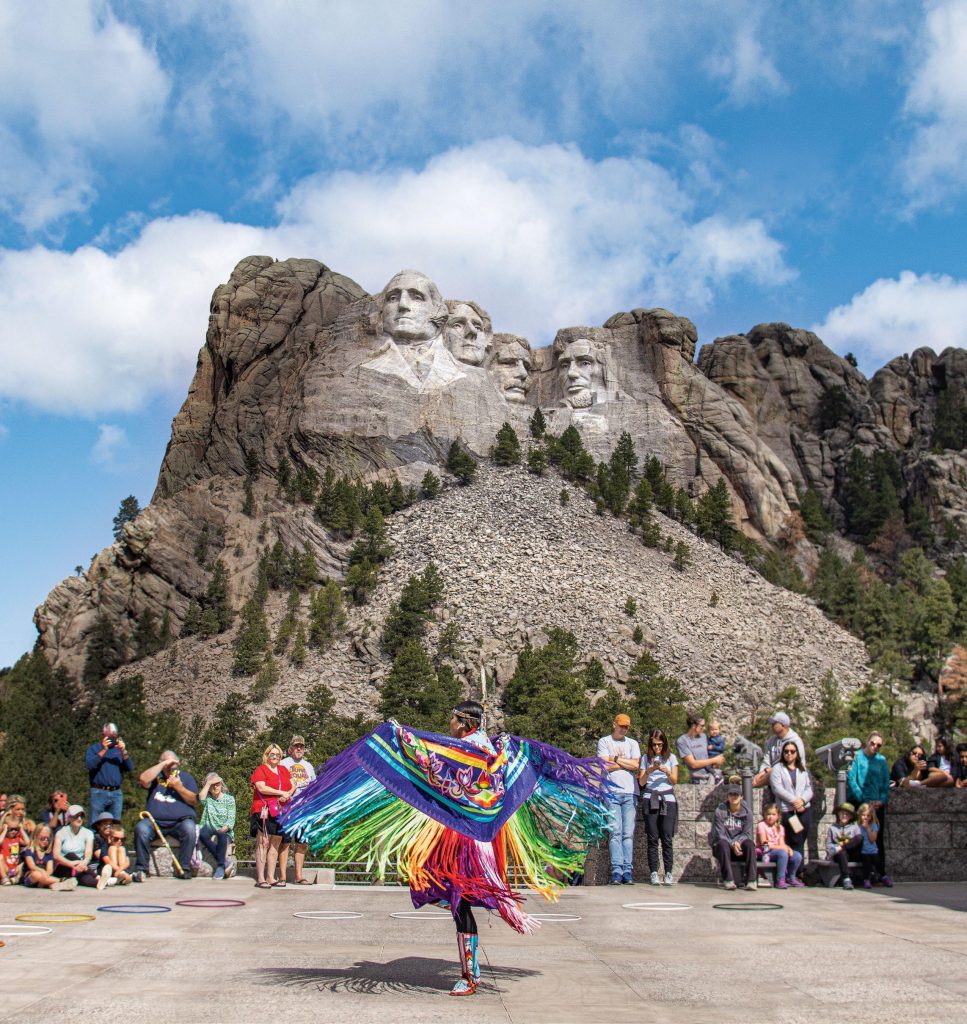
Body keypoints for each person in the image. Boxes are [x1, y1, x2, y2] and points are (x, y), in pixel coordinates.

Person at [280, 700, 611, 997]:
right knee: (454, 899)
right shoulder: (495, 754)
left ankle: (470, 974)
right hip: (480, 839)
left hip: (466, 842)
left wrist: (400, 737)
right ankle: (471, 968)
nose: (449, 725)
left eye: (453, 720)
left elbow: (431, 760)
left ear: (464, 724)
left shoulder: (465, 753)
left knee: (459, 902)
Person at [132, 750, 199, 882]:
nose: (170, 768)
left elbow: (194, 800)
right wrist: (162, 765)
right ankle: (141, 869)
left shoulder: (185, 778)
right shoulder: (155, 778)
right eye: (166, 764)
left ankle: (184, 868)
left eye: (172, 764)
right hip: (154, 821)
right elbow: (143, 779)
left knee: (190, 829)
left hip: (180, 821)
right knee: (141, 828)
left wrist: (179, 787)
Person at [597, 713, 641, 884]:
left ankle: (627, 870)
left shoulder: (633, 743)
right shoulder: (604, 741)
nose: (624, 729)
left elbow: (636, 765)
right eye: (621, 725)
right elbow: (604, 764)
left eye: (626, 727)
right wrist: (624, 762)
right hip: (611, 791)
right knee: (615, 832)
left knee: (627, 833)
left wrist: (614, 759)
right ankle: (617, 869)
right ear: (614, 724)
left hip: (630, 791)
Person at [847, 732, 892, 887]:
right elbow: (852, 780)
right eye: (873, 743)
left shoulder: (881, 760)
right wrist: (865, 801)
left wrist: (881, 800)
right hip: (861, 803)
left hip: (877, 804)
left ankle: (879, 873)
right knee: (859, 837)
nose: (875, 747)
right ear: (867, 742)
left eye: (878, 745)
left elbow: (886, 782)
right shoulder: (857, 757)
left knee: (877, 839)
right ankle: (861, 874)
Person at [251, 743, 295, 888]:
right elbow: (261, 787)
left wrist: (287, 794)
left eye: (277, 754)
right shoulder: (261, 769)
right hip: (264, 809)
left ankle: (270, 876)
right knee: (263, 842)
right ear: (267, 756)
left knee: (276, 842)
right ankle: (261, 877)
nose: (275, 757)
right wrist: (281, 793)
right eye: (272, 754)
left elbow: (293, 784)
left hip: (281, 810)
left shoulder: (283, 770)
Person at [638, 728, 678, 885]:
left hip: (667, 798)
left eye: (660, 745)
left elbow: (674, 780)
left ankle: (668, 872)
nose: (657, 748)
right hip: (650, 797)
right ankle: (653, 872)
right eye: (654, 745)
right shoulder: (645, 758)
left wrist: (667, 772)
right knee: (652, 837)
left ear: (665, 744)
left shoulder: (671, 758)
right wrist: (648, 771)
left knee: (667, 837)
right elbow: (641, 782)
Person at [767, 740, 813, 875]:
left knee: (801, 839)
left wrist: (802, 801)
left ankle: (797, 871)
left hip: (803, 810)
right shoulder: (777, 769)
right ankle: (792, 872)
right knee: (793, 840)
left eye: (792, 751)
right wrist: (795, 801)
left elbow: (809, 788)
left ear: (797, 753)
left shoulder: (803, 769)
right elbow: (777, 788)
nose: (789, 754)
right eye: (786, 751)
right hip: (788, 811)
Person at [279, 736, 317, 885]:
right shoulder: (283, 764)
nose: (299, 749)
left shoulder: (308, 766)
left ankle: (299, 876)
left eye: (301, 746)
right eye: (296, 746)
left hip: (303, 809)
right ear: (290, 749)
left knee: (301, 843)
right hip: (287, 808)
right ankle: (282, 876)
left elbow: (314, 787)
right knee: (285, 842)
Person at [711, 783, 756, 891]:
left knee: (750, 844)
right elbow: (720, 834)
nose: (734, 797)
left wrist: (738, 843)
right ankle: (728, 880)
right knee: (722, 843)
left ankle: (751, 881)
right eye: (731, 794)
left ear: (741, 796)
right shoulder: (720, 811)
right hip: (724, 848)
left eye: (736, 794)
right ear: (727, 797)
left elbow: (746, 833)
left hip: (739, 847)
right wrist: (732, 844)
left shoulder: (747, 812)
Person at [85, 722, 134, 822]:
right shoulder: (94, 749)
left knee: (115, 824)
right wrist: (104, 750)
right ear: (103, 736)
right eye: (109, 737)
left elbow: (130, 768)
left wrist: (124, 752)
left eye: (114, 737)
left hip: (116, 792)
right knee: (95, 822)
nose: (112, 740)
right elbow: (89, 765)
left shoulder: (118, 750)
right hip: (99, 792)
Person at [198, 772, 237, 879]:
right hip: (209, 830)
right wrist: (208, 782)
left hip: (224, 831)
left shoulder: (229, 799)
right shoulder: (208, 800)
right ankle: (224, 863)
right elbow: (201, 797)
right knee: (202, 834)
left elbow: (230, 821)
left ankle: (220, 866)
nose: (215, 787)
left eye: (217, 784)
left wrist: (221, 830)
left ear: (221, 785)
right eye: (212, 785)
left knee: (221, 836)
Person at [753, 711, 806, 788]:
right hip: (773, 776)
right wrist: (761, 773)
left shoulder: (796, 741)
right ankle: (747, 783)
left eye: (774, 723)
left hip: (790, 776)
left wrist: (769, 771)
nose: (772, 725)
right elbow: (766, 762)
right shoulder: (771, 741)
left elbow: (797, 765)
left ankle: (749, 786)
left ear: (782, 725)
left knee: (773, 773)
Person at [756, 803, 802, 890]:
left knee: (797, 856)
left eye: (773, 814)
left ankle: (791, 877)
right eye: (768, 814)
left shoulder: (780, 827)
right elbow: (764, 843)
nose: (770, 817)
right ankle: (780, 879)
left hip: (778, 849)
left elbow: (782, 843)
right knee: (783, 853)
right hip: (766, 852)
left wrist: (788, 848)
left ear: (778, 816)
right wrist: (783, 848)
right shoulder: (761, 825)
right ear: (764, 815)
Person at [52, 805, 98, 887]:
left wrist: (83, 863)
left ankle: (100, 882)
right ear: (69, 818)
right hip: (63, 867)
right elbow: (56, 855)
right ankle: (96, 876)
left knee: (87, 880)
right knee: (71, 855)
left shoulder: (88, 833)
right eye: (76, 816)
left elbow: (88, 855)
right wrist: (71, 863)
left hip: (79, 868)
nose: (79, 819)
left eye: (81, 816)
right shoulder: (61, 832)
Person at [676, 712, 724, 784]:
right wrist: (714, 760)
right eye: (702, 725)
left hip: (714, 776)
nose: (704, 728)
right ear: (694, 726)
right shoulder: (682, 741)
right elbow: (693, 764)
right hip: (699, 780)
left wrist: (719, 759)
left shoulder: (704, 736)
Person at [21, 824, 73, 890]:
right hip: (31, 877)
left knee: (43, 876)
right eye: (42, 838)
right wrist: (42, 872)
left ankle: (46, 882)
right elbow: (32, 866)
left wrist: (46, 875)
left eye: (47, 839)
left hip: (45, 876)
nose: (45, 841)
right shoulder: (30, 850)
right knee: (36, 874)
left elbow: (50, 869)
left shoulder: (48, 853)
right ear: (36, 836)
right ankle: (61, 881)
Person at [825, 802, 862, 890]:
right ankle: (846, 878)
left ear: (851, 816)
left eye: (847, 814)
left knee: (859, 838)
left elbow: (858, 839)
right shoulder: (832, 828)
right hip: (838, 853)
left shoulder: (855, 827)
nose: (844, 816)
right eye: (842, 813)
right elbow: (828, 846)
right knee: (841, 852)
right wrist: (837, 848)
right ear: (838, 814)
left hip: (852, 852)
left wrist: (844, 845)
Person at [91, 811, 119, 890]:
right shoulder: (96, 838)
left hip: (112, 865)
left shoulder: (114, 838)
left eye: (110, 824)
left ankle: (115, 876)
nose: (108, 826)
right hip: (97, 864)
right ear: (98, 826)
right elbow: (99, 855)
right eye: (105, 824)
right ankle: (108, 878)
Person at [856, 803, 881, 889]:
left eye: (868, 816)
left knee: (877, 861)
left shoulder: (873, 825)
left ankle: (883, 876)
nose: (866, 818)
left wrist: (867, 828)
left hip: (873, 850)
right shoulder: (857, 825)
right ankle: (866, 879)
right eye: (863, 815)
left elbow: (873, 839)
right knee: (866, 862)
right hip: (862, 851)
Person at [0, 810, 26, 885]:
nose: (14, 831)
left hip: (15, 868)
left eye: (16, 829)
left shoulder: (17, 839)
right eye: (11, 829)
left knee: (25, 861)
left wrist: (21, 830)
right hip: (5, 868)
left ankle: (17, 878)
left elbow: (28, 843)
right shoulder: (4, 838)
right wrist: (4, 830)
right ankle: (4, 877)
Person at [706, 720, 726, 784]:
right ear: (709, 731)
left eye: (716, 729)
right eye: (712, 730)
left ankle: (719, 777)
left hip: (716, 756)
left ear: (719, 730)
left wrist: (713, 747)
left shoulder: (720, 738)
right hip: (709, 756)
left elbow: (722, 748)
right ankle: (715, 776)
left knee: (716, 768)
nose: (714, 731)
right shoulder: (709, 739)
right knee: (707, 766)